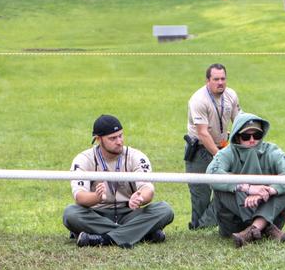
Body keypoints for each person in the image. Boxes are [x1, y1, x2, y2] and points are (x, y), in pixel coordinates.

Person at [65, 114, 173, 248]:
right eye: (113, 138)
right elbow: (79, 197)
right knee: (71, 213)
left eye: (121, 135)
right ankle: (143, 233)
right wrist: (96, 197)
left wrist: (140, 197)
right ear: (98, 139)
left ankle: (102, 239)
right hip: (97, 214)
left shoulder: (136, 156)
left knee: (164, 210)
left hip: (129, 212)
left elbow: (148, 189)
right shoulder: (83, 159)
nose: (119, 141)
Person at [206, 112, 285, 247]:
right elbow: (211, 173)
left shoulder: (271, 150)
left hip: (268, 213)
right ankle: (265, 226)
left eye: (257, 135)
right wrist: (247, 188)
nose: (252, 140)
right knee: (222, 186)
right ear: (237, 137)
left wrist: (271, 189)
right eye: (246, 136)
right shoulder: (227, 153)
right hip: (235, 226)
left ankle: (255, 227)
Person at [183, 63, 239, 229]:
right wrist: (218, 155)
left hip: (223, 147)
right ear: (208, 81)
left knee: (229, 189)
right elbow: (202, 132)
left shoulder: (231, 95)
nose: (220, 82)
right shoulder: (199, 100)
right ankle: (199, 226)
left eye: (223, 79)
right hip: (200, 150)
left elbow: (238, 122)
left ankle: (202, 226)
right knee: (201, 194)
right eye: (216, 79)